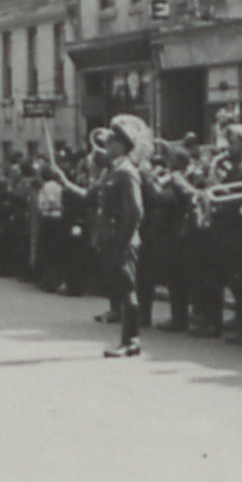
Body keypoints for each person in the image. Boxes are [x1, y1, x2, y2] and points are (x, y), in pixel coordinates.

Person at [50, 119, 146, 357]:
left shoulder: (126, 172)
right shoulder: (110, 171)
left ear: (122, 145)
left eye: (111, 142)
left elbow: (135, 212)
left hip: (121, 241)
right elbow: (88, 197)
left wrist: (121, 243)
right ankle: (128, 339)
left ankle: (131, 340)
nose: (106, 146)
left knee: (127, 289)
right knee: (120, 289)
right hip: (109, 240)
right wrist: (63, 181)